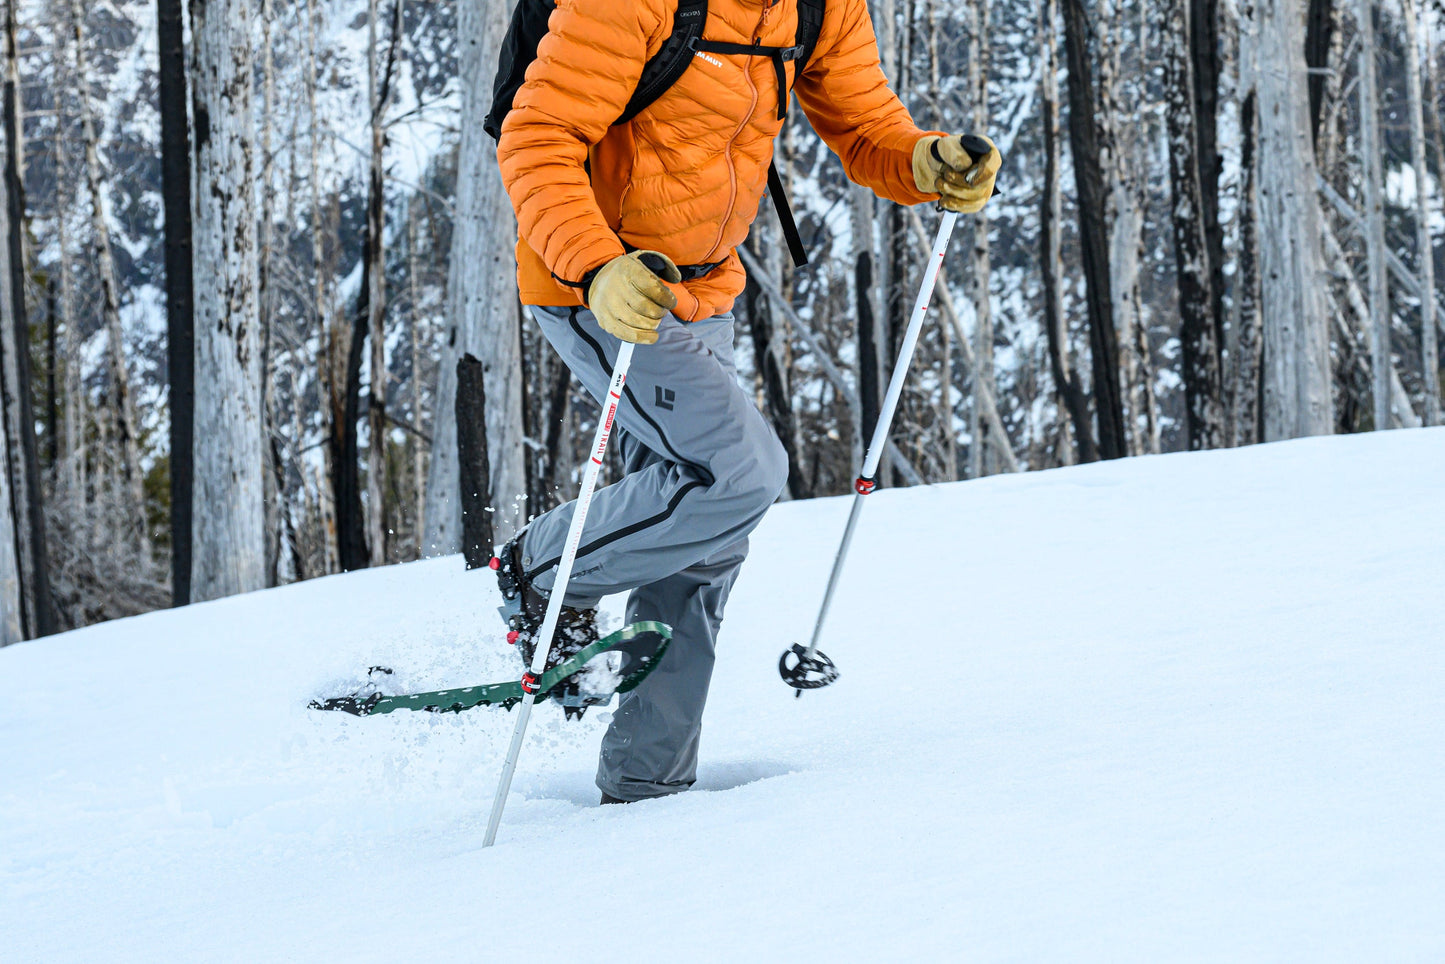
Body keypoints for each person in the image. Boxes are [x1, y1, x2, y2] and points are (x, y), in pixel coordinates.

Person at [492, 0, 1001, 805]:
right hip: (601, 286)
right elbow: (536, 137)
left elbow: (865, 125)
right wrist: (596, 268)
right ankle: (541, 573)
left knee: (703, 535)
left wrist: (924, 160)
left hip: (704, 290)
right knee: (736, 475)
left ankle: (645, 782)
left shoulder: (818, 1)